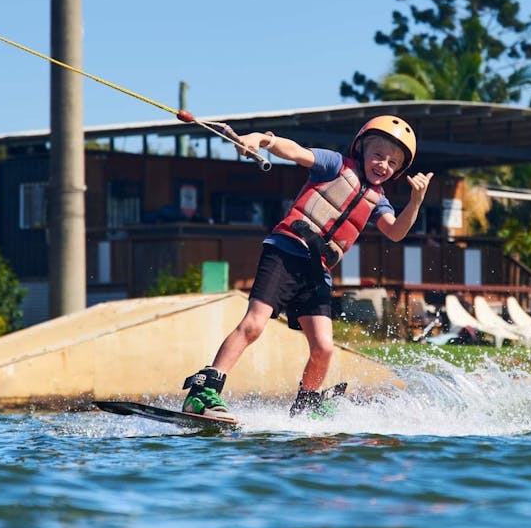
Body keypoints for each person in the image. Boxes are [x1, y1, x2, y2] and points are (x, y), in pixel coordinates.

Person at [181, 115, 434, 417]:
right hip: (286, 252)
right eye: (378, 155)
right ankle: (202, 393)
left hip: (317, 272)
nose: (383, 165)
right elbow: (295, 151)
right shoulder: (335, 165)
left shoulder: (378, 200)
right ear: (361, 149)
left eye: (393, 163)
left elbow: (395, 232)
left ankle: (306, 405)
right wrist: (261, 139)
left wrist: (416, 201)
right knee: (254, 325)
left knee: (324, 347)